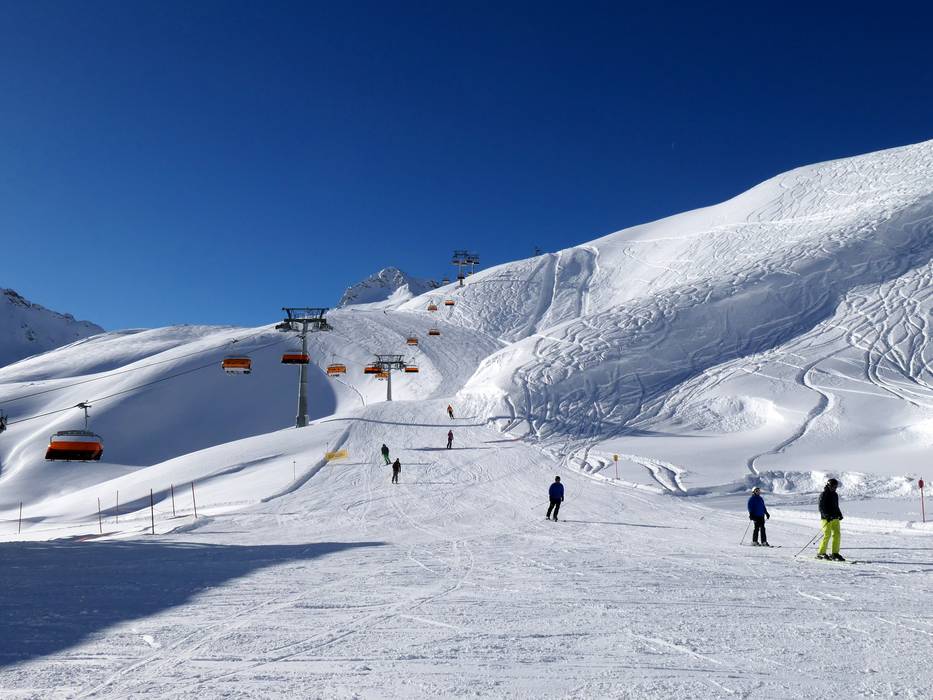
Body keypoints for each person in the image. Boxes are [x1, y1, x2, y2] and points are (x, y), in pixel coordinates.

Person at [817, 478, 844, 561]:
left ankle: (835, 553)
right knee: (827, 534)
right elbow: (821, 507)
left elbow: (836, 506)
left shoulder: (835, 495)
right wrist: (826, 515)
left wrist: (839, 514)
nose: (834, 488)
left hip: (835, 518)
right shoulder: (823, 494)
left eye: (835, 487)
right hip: (826, 519)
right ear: (828, 486)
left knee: (837, 534)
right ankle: (821, 553)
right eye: (833, 486)